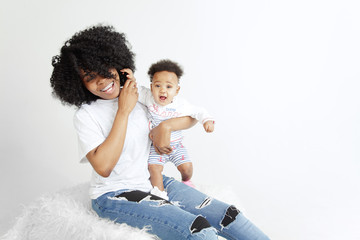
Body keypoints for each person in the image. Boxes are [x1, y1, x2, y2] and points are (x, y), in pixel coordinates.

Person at [50, 24, 270, 240]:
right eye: (89, 77)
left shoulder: (141, 95)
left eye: (104, 68)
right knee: (199, 231)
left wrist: (166, 126)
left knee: (229, 216)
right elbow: (104, 167)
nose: (101, 80)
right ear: (79, 84)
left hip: (151, 180)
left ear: (116, 63)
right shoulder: (86, 115)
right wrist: (123, 111)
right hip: (113, 195)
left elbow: (188, 115)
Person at [138, 59, 215, 198]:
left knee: (187, 168)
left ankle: (186, 180)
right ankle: (159, 195)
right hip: (156, 147)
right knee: (154, 169)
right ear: (151, 87)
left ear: (177, 90)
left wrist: (207, 120)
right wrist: (129, 77)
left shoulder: (181, 105)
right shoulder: (147, 97)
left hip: (176, 146)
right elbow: (135, 88)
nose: (162, 90)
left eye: (168, 87)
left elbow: (198, 111)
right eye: (157, 86)